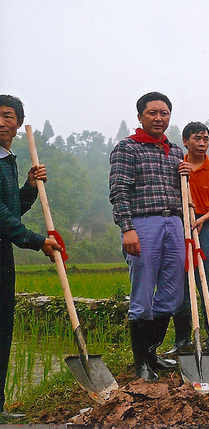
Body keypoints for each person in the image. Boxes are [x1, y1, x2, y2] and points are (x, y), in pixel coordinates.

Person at [109, 91, 191, 381]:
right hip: (143, 225)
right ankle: (140, 363)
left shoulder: (176, 152)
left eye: (164, 113)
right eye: (152, 113)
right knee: (142, 295)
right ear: (140, 116)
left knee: (171, 294)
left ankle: (152, 352)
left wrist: (186, 176)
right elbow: (119, 190)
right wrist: (127, 228)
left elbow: (183, 195)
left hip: (175, 225)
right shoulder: (127, 148)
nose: (159, 118)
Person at [0, 95, 62, 419]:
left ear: (18, 123)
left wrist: (29, 185)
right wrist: (40, 242)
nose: (0, 122)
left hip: (2, 254)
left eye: (7, 116)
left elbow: (13, 212)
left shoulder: (7, 159)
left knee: (3, 330)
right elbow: (2, 218)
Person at [166, 121, 209, 354]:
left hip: (206, 228)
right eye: (197, 138)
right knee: (180, 284)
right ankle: (182, 340)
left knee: (207, 284)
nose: (202, 143)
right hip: (179, 226)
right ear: (185, 141)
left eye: (205, 139)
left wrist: (203, 219)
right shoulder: (176, 167)